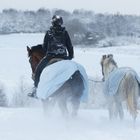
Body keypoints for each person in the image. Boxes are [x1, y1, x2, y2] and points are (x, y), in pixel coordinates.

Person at [28, 15, 74, 97]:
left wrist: (47, 52)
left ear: (52, 23)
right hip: (64, 57)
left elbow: (45, 47)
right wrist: (70, 56)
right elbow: (69, 46)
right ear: (61, 23)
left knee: (38, 71)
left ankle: (35, 89)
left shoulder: (49, 33)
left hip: (50, 57)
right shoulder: (65, 32)